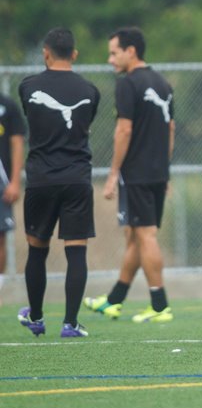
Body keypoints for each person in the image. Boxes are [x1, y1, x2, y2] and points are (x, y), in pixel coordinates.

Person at [84, 27, 176, 323]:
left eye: (114, 52)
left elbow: (124, 129)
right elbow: (170, 130)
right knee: (136, 237)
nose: (110, 59)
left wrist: (113, 174)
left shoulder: (127, 84)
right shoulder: (163, 83)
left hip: (136, 173)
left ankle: (160, 306)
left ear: (131, 51)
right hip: (156, 172)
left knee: (144, 235)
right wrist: (165, 170)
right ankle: (114, 300)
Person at [17, 27, 100, 338]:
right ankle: (70, 323)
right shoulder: (90, 90)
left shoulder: (27, 86)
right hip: (77, 178)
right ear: (75, 54)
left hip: (40, 179)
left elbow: (32, 118)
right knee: (76, 252)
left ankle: (36, 317)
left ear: (46, 53)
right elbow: (85, 124)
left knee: (36, 249)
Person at [0, 93, 25, 306]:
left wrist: (15, 181)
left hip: (2, 184)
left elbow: (17, 143)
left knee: (0, 239)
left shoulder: (7, 106)